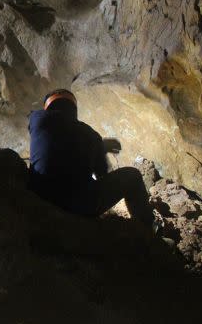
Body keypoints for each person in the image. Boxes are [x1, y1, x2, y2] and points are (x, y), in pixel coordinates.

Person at [27, 89, 155, 229]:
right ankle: (148, 229)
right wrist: (99, 148)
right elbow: (102, 175)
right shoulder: (91, 135)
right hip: (80, 207)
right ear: (74, 110)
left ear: (47, 107)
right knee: (132, 175)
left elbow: (58, 136)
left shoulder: (36, 118)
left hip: (40, 197)